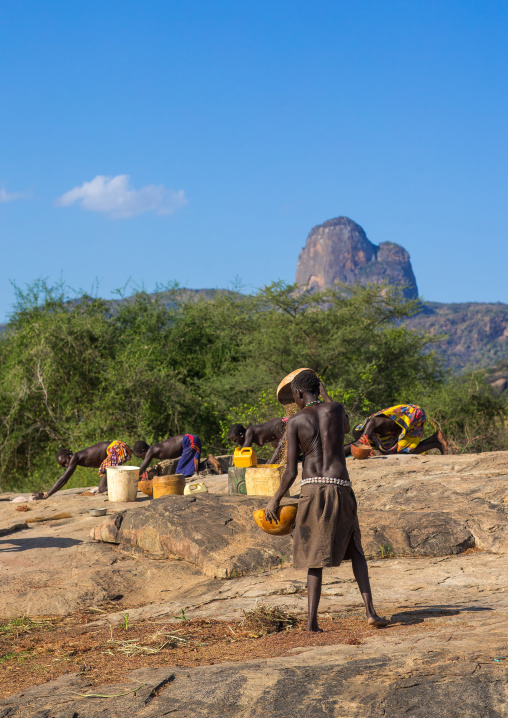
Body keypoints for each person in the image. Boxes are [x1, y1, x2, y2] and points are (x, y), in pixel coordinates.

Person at [264, 370, 388, 632]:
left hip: (312, 489)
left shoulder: (296, 421)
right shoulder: (335, 409)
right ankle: (370, 612)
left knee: (313, 558)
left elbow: (290, 471)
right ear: (318, 389)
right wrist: (326, 393)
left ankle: (311, 622)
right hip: (341, 486)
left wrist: (275, 499)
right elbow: (346, 428)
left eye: (295, 397)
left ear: (298, 394)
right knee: (355, 551)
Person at [32, 440, 132, 500]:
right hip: (117, 448)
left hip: (115, 447)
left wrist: (46, 495)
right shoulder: (77, 458)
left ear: (69, 453)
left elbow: (63, 479)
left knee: (102, 486)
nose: (67, 464)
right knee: (106, 472)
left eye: (65, 461)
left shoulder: (75, 456)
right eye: (64, 465)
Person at [345, 404, 448, 456]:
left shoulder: (371, 425)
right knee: (403, 453)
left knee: (403, 454)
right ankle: (436, 441)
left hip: (411, 414)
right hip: (413, 417)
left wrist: (362, 439)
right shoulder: (376, 440)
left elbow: (373, 421)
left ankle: (436, 440)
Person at [133, 434, 220, 478]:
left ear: (144, 451)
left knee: (181, 472)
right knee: (190, 469)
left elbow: (141, 469)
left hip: (189, 441)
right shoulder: (153, 449)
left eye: (140, 456)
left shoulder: (151, 450)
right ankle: (209, 462)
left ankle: (209, 462)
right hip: (191, 440)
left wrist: (132, 477)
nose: (142, 459)